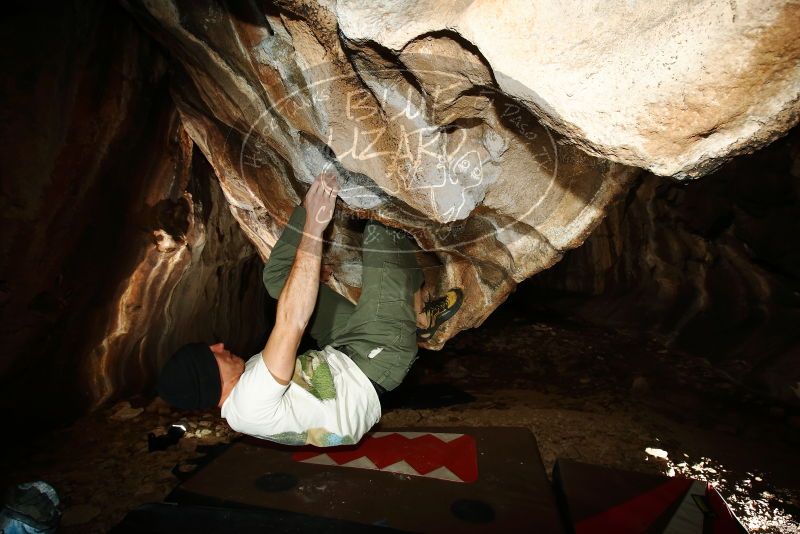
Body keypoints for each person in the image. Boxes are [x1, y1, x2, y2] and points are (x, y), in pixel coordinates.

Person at [157, 173, 463, 447]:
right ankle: (419, 311)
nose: (219, 345)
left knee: (277, 278)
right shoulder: (250, 400)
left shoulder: (242, 397)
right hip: (378, 358)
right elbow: (292, 320)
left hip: (342, 351)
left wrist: (307, 277)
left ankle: (308, 203)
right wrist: (315, 227)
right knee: (381, 232)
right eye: (210, 353)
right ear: (208, 376)